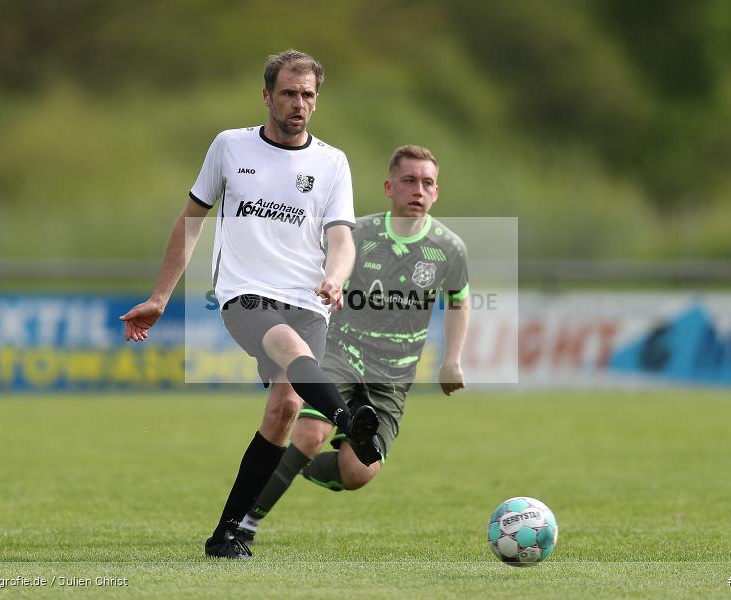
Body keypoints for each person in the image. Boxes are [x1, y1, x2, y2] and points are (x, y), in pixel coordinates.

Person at [119, 49, 382, 560]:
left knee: (285, 407)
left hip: (309, 299)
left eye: (307, 95)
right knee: (285, 347)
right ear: (266, 96)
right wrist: (160, 296)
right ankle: (349, 421)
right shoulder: (230, 147)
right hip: (245, 295)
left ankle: (227, 533)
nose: (298, 103)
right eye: (288, 93)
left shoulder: (332, 162)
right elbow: (190, 221)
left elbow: (343, 239)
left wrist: (334, 277)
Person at [236, 145, 470, 543]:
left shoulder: (450, 248)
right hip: (341, 353)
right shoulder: (358, 234)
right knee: (309, 433)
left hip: (393, 374)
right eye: (409, 180)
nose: (418, 189)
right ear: (389, 187)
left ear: (436, 192)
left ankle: (299, 464)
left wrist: (452, 361)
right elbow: (316, 270)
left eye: (427, 183)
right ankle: (244, 523)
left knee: (358, 472)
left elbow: (459, 303)